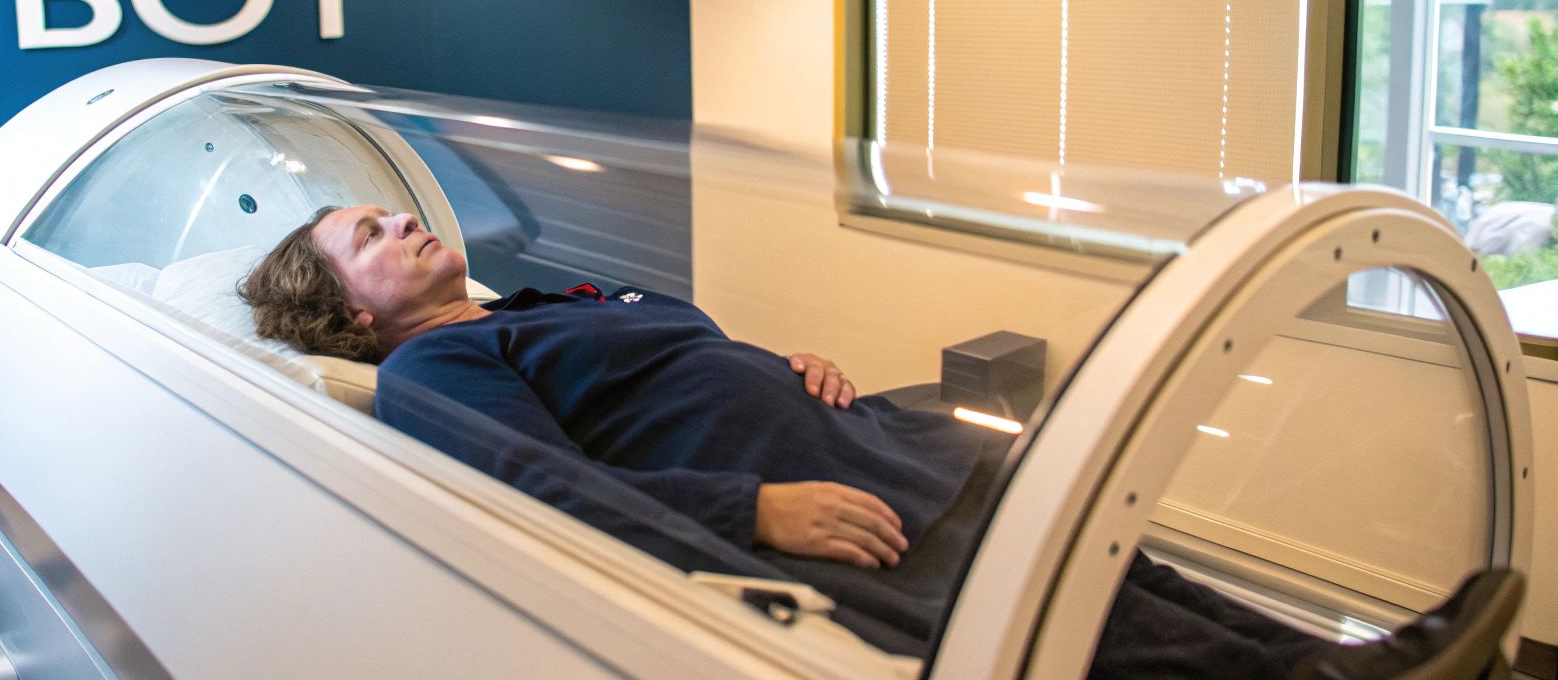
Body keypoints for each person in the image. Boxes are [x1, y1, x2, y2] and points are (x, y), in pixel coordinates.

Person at [240, 205, 1523, 680]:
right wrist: (751, 511)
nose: (401, 224)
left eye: (393, 213)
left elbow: (681, 361)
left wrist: (783, 366)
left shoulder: (541, 302)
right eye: (368, 236)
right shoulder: (432, 368)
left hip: (881, 445)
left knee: (1119, 568)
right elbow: (545, 493)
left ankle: (1342, 658)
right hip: (826, 511)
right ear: (349, 314)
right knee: (1088, 632)